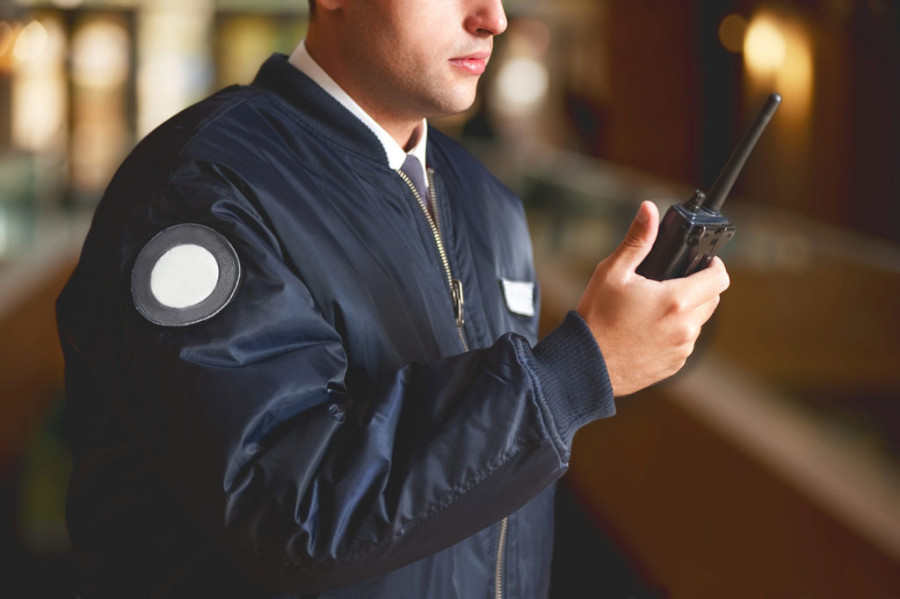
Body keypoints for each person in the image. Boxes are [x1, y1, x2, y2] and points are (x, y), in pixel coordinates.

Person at [56, 0, 730, 597]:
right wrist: (580, 371)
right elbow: (290, 510)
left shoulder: (486, 200)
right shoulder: (199, 188)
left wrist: (625, 347)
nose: (492, 18)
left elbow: (481, 473)